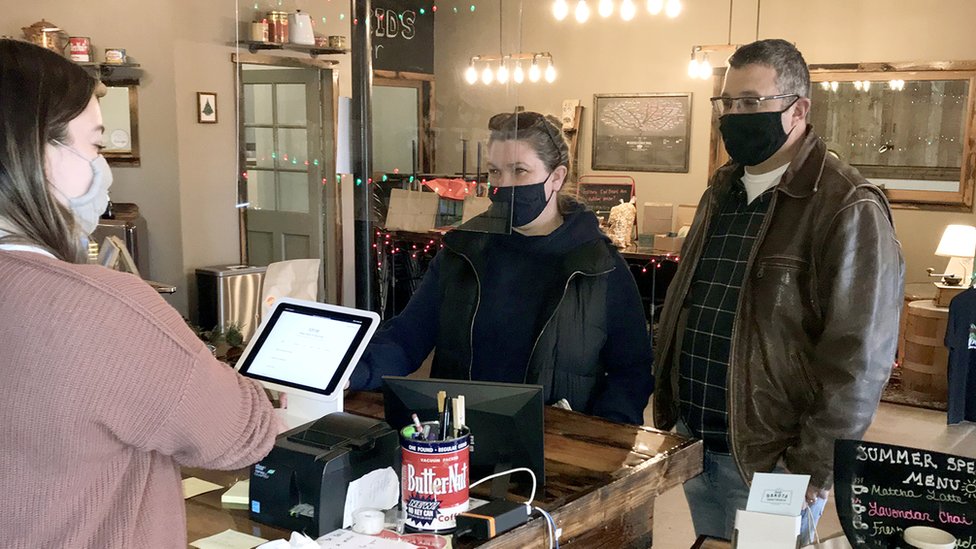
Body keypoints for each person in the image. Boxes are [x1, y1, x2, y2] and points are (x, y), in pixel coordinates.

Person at [0, 40, 279, 548]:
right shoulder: (98, 309)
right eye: (96, 145)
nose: (104, 168)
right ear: (34, 151)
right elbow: (241, 434)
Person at [652, 39, 904, 542]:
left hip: (773, 461)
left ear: (798, 109)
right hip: (695, 441)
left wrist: (808, 469)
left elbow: (859, 362)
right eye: (726, 103)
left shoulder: (846, 205)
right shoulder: (721, 190)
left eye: (751, 102)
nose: (734, 115)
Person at [349, 111, 653, 425]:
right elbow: (407, 336)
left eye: (519, 170)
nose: (503, 185)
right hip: (460, 441)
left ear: (557, 177)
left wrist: (601, 440)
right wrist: (351, 372)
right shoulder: (462, 252)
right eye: (495, 172)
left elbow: (631, 372)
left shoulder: (600, 267)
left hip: (559, 451)